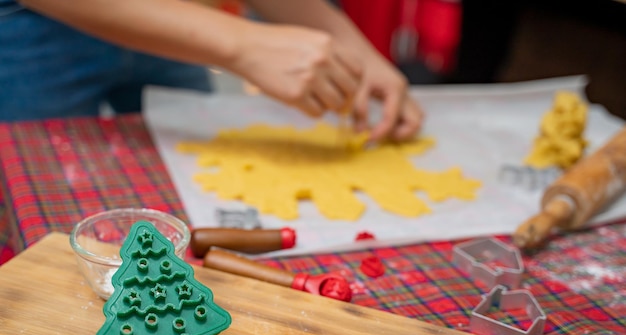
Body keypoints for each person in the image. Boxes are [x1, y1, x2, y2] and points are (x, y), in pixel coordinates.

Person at [0, 0, 423, 142]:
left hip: (182, 20)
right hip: (31, 26)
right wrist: (241, 44)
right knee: (39, 208)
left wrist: (344, 38)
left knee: (179, 190)